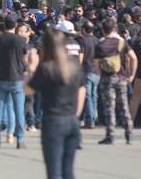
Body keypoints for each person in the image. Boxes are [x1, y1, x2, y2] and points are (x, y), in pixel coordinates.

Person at [25, 30, 85, 179]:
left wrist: (31, 69)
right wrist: (76, 113)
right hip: (71, 120)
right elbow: (82, 89)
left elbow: (27, 90)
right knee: (68, 170)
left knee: (54, 172)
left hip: (53, 121)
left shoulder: (46, 68)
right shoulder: (74, 66)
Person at [95, 18, 137, 144]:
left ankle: (110, 135)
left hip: (107, 78)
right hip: (122, 77)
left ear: (103, 30)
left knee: (109, 107)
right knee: (124, 106)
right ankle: (129, 135)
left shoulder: (100, 44)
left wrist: (100, 76)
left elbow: (96, 64)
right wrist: (131, 75)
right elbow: (133, 58)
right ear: (115, 28)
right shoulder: (121, 42)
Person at [0, 16, 28, 149]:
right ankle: (20, 139)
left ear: (4, 25)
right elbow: (24, 59)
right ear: (15, 26)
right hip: (16, 77)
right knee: (18, 109)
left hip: (1, 76)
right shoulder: (20, 40)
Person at [80, 20, 100, 129]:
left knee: (87, 96)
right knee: (94, 95)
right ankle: (94, 117)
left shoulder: (82, 40)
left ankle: (90, 121)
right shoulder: (98, 40)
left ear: (84, 29)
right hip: (97, 71)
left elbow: (81, 56)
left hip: (86, 70)